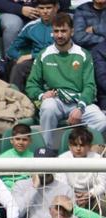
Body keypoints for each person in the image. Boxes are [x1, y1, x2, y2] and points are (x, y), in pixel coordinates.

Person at [28, 13, 106, 150]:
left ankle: (79, 146)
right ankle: (48, 150)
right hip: (56, 100)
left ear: (72, 31)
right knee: (47, 107)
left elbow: (89, 86)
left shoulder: (83, 54)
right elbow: (31, 85)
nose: (59, 35)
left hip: (79, 100)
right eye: (56, 31)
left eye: (63, 31)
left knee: (102, 120)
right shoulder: (44, 54)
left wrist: (80, 108)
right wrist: (41, 95)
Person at [6, 0, 57, 89]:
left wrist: (32, 56)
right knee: (18, 67)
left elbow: (63, 50)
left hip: (58, 61)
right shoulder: (31, 26)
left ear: (56, 8)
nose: (45, 11)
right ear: (37, 9)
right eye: (41, 8)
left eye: (49, 8)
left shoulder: (62, 26)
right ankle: (15, 98)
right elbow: (11, 50)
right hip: (36, 63)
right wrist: (19, 57)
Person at [74, 0, 106, 108]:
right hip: (90, 53)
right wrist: (103, 39)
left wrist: (95, 29)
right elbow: (79, 37)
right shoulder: (81, 10)